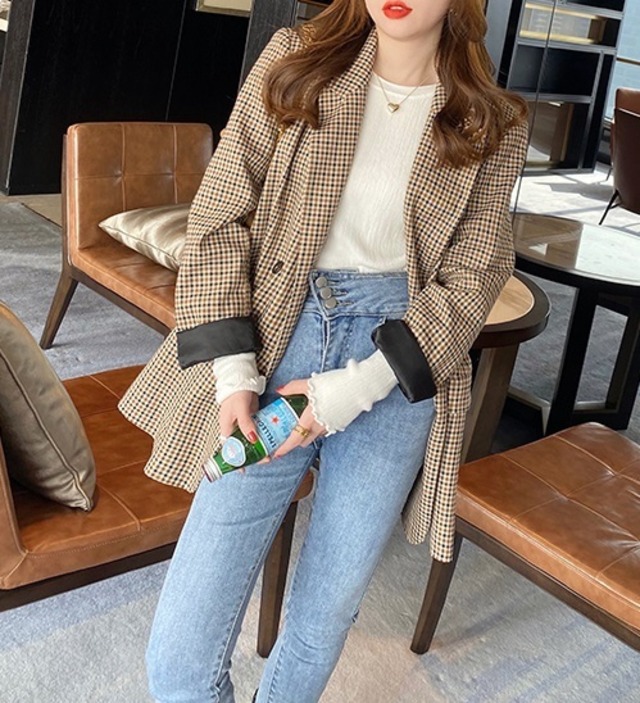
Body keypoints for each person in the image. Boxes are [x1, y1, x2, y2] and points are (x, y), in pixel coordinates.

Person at [119, 0, 528, 700]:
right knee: (180, 657)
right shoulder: (297, 59)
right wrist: (233, 372)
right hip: (278, 336)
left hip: (398, 366)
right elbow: (219, 215)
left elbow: (476, 274)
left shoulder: (492, 119)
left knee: (323, 615)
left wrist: (351, 390)